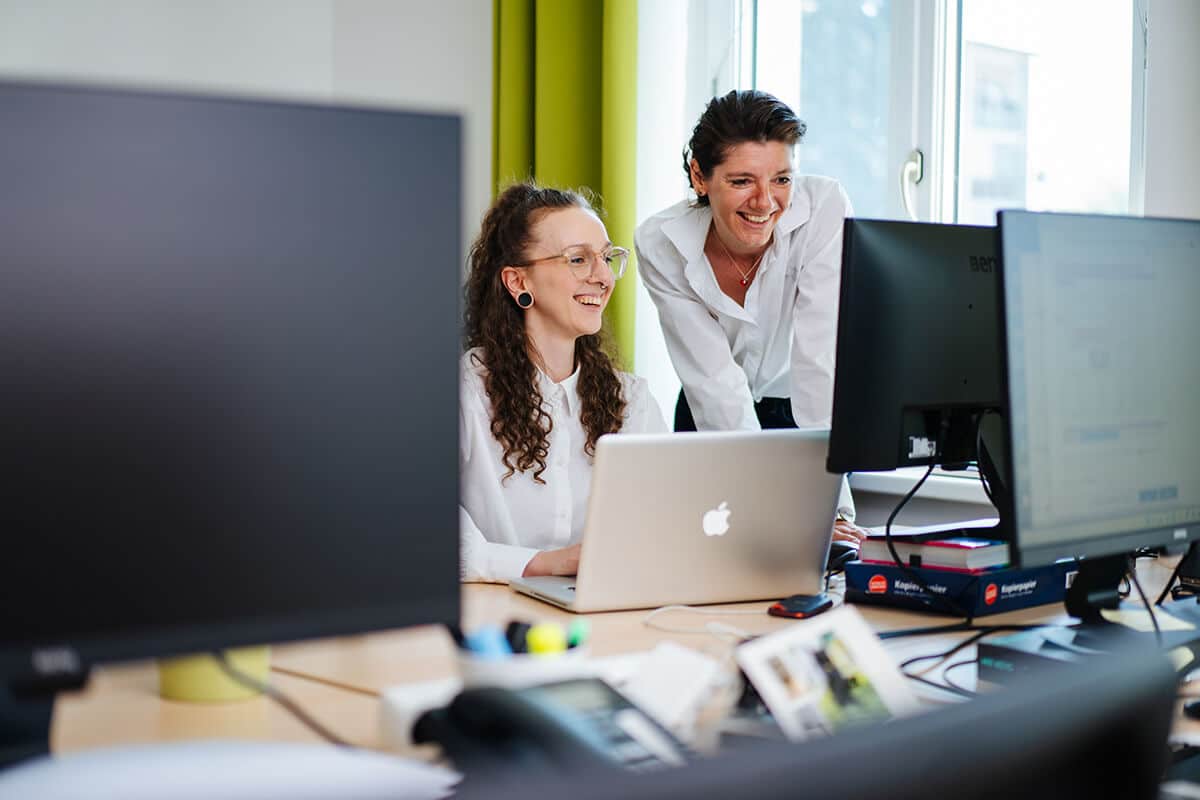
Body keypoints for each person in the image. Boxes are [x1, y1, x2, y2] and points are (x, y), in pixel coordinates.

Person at [635, 89, 863, 544]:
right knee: (718, 552)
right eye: (742, 181)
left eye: (781, 179)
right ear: (700, 177)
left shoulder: (823, 209)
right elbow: (715, 383)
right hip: (711, 411)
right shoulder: (662, 244)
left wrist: (833, 509)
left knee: (817, 552)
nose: (766, 202)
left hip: (804, 414)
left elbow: (820, 359)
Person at [460, 182, 667, 582]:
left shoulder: (631, 400)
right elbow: (419, 523)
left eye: (607, 258)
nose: (603, 276)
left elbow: (668, 513)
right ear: (518, 282)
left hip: (604, 608)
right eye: (578, 259)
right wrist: (543, 563)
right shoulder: (465, 391)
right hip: (492, 616)